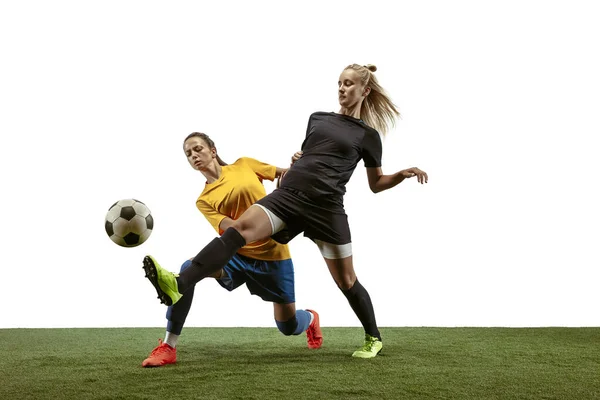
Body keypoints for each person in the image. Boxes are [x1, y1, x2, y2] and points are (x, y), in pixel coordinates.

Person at [143, 64, 428, 359]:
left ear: (364, 91)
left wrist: (401, 174)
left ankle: (373, 337)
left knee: (346, 281)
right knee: (239, 229)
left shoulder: (368, 136)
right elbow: (309, 156)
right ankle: (178, 283)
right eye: (339, 83)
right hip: (289, 197)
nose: (342, 89)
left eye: (349, 84)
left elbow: (376, 183)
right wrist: (298, 158)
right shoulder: (317, 118)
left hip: (327, 208)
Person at [141, 132, 323, 367]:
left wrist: (295, 164)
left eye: (198, 149)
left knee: (288, 326)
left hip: (274, 256)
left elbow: (286, 177)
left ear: (213, 150)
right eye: (188, 154)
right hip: (237, 255)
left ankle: (309, 318)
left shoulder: (244, 165)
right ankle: (168, 346)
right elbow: (232, 230)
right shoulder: (204, 200)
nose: (194, 155)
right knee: (188, 269)